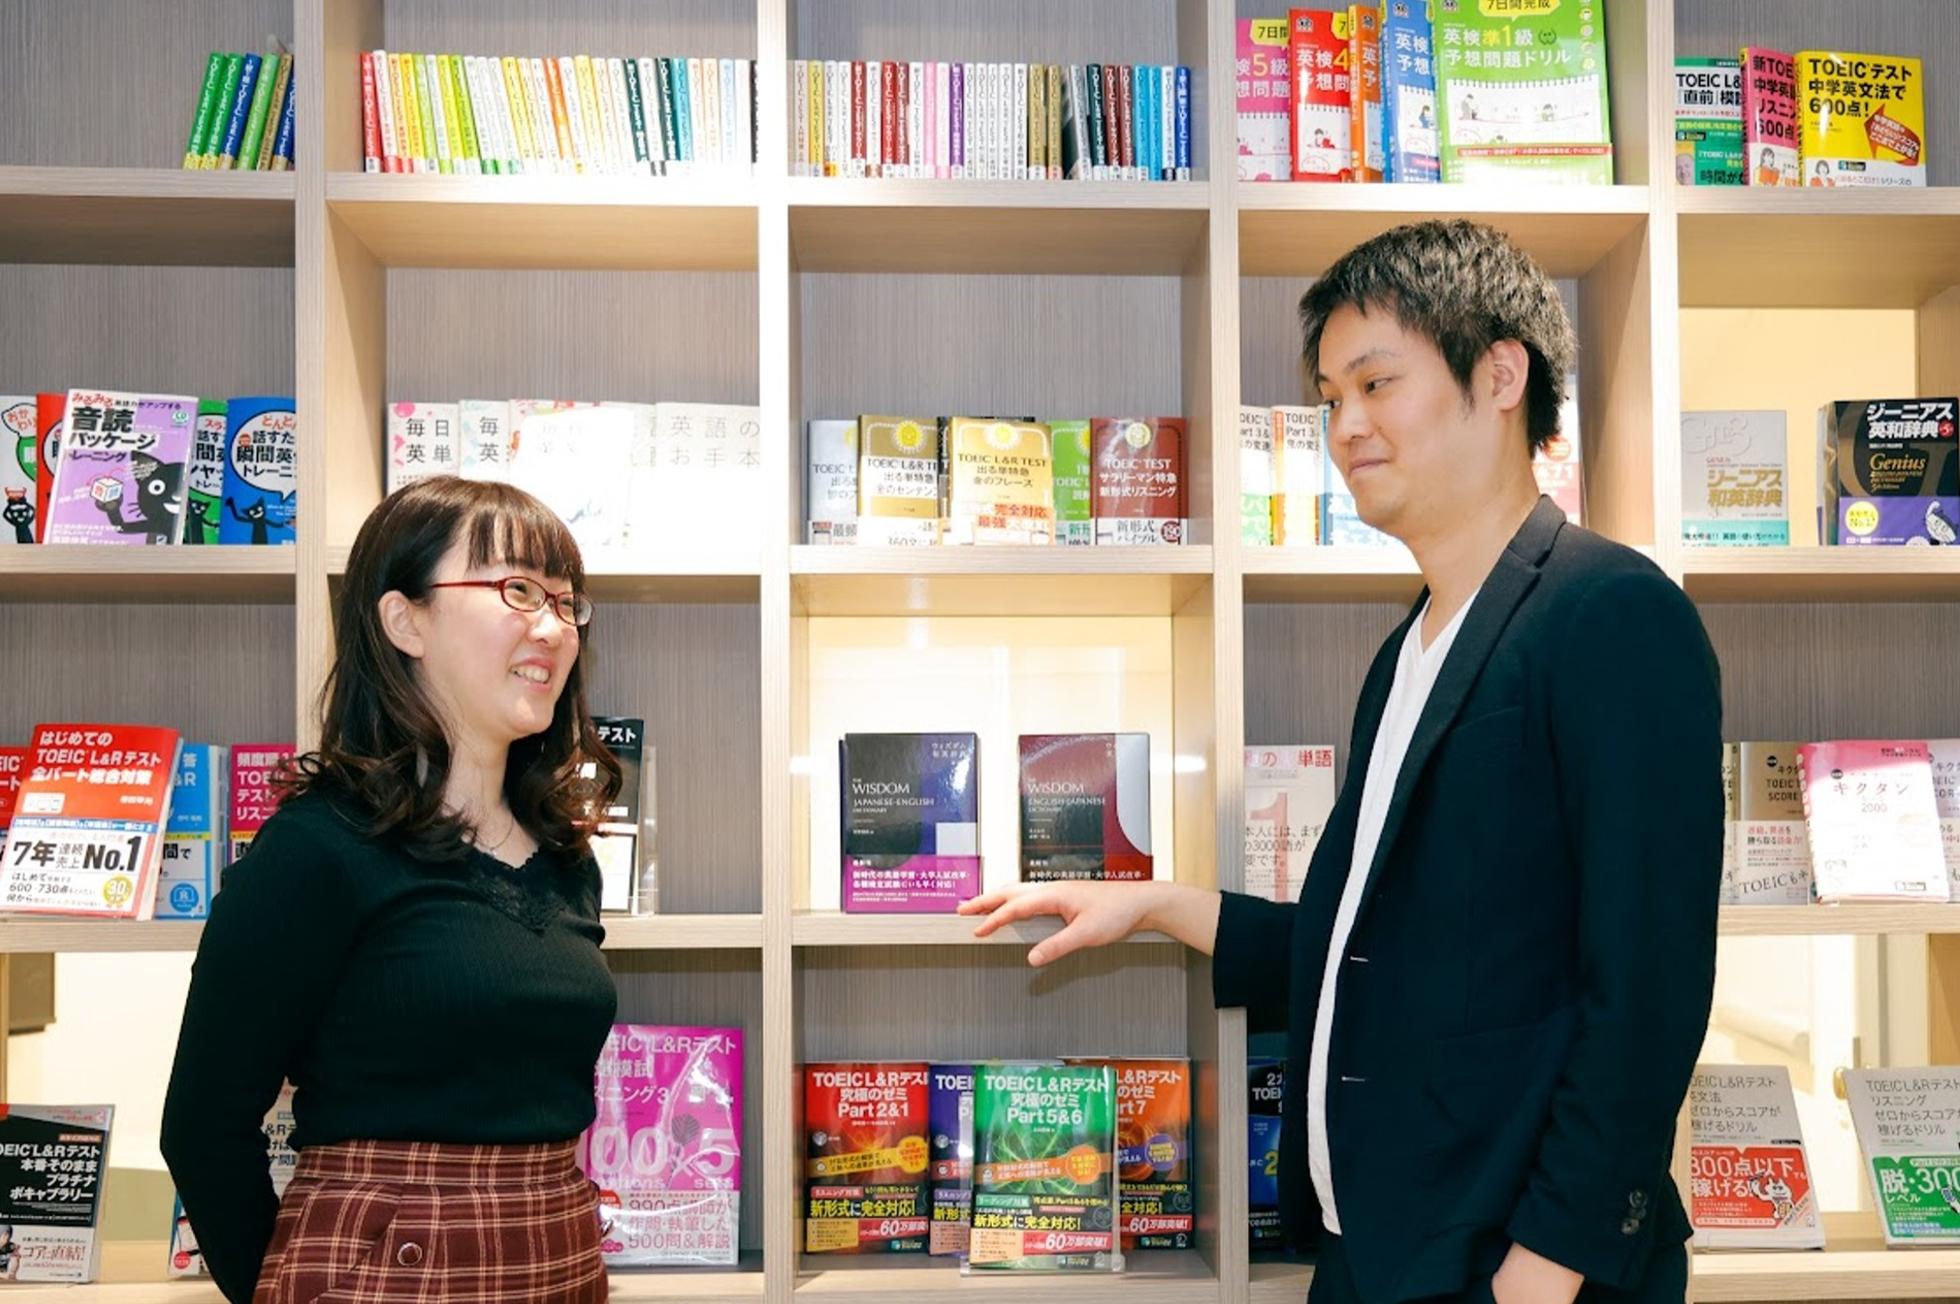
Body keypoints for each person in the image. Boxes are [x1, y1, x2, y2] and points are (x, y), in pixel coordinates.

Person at [962, 220, 1723, 1304]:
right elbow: (1371, 950)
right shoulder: (1408, 648)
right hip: (1379, 1250)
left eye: (1376, 383)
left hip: (1516, 1265)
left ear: (1500, 375)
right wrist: (1154, 903)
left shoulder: (1613, 614)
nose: (1344, 425)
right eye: (1329, 398)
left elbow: (1647, 988)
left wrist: (1546, 1266)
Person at [161, 476, 624, 1304]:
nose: (554, 626)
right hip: (383, 1273)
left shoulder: (566, 859)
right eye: (518, 590)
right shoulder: (319, 847)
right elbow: (203, 1127)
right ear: (404, 619)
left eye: (566, 601)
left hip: (558, 1260)